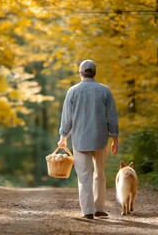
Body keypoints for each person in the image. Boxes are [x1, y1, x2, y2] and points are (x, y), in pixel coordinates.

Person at [57, 59, 119, 219]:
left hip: (80, 139)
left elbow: (66, 117)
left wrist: (63, 137)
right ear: (95, 72)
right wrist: (115, 138)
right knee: (99, 174)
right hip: (101, 139)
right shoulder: (105, 90)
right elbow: (112, 116)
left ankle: (88, 211)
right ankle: (99, 208)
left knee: (84, 176)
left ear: (80, 73)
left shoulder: (73, 91)